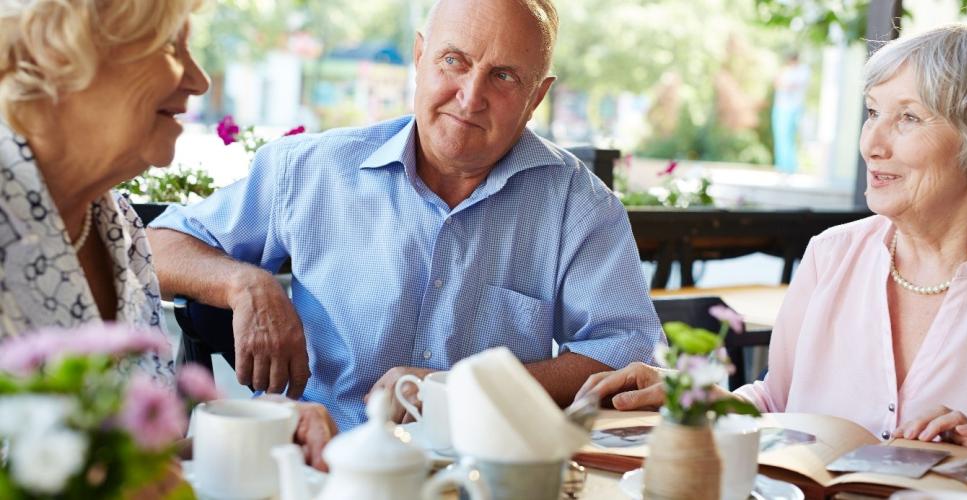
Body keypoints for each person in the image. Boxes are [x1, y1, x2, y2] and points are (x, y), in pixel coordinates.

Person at [147, 0, 661, 431]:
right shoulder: (310, 169)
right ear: (419, 57)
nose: (471, 96)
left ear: (535, 98)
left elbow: (629, 352)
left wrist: (461, 389)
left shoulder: (578, 205)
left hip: (482, 470)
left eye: (503, 76)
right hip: (316, 465)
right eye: (453, 61)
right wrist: (247, 285)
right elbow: (153, 245)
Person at [575, 24, 967, 453]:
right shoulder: (831, 255)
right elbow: (777, 403)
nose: (872, 143)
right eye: (873, 113)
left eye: (908, 118)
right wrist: (691, 395)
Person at [0, 0, 334, 470]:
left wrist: (255, 430)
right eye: (170, 46)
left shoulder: (117, 224)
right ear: (68, 54)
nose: (199, 80)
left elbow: (120, 464)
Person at [771, 52, 810, 173]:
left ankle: (790, 167)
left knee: (789, 137)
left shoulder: (802, 71)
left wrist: (784, 84)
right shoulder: (786, 71)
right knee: (780, 137)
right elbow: (777, 83)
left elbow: (789, 85)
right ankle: (781, 166)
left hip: (793, 109)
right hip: (780, 108)